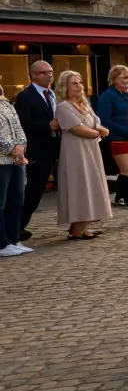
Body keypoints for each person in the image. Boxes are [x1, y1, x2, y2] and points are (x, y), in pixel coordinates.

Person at [53, 71, 112, 240]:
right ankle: (76, 228)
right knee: (78, 185)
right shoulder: (63, 107)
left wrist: (101, 130)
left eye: (80, 82)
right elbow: (76, 128)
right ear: (65, 86)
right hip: (75, 152)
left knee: (90, 184)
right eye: (74, 83)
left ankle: (82, 226)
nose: (79, 86)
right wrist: (97, 133)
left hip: (91, 150)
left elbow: (96, 123)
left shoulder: (84, 105)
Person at [14, 60, 59, 241]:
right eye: (44, 72)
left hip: (55, 148)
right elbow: (23, 124)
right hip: (36, 150)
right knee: (33, 191)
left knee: (39, 191)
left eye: (51, 72)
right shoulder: (26, 96)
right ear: (34, 75)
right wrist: (48, 126)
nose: (49, 75)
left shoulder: (53, 94)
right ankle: (16, 228)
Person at [97, 65, 128, 207]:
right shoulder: (108, 96)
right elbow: (105, 120)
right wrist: (127, 131)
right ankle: (126, 198)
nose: (126, 81)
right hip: (117, 138)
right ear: (113, 80)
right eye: (123, 78)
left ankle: (121, 197)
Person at [0, 78, 29, 257]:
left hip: (16, 160)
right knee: (1, 203)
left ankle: (13, 239)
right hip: (2, 160)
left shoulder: (7, 104)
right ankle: (1, 243)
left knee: (16, 200)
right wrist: (12, 149)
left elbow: (19, 128)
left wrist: (21, 147)